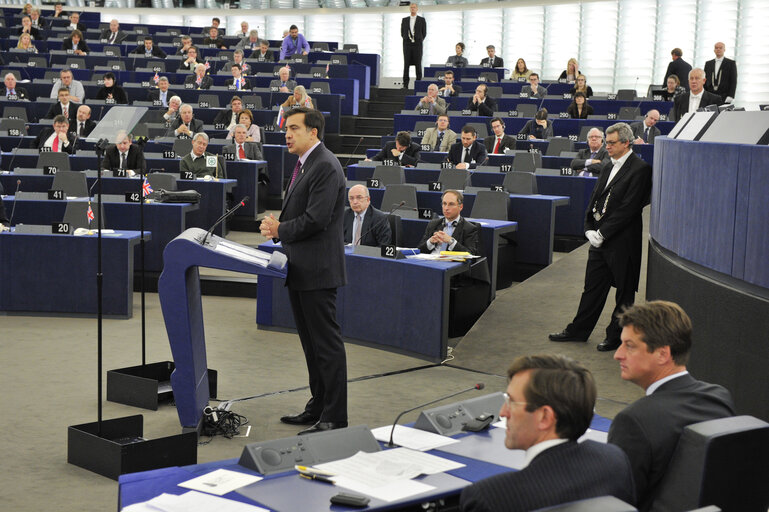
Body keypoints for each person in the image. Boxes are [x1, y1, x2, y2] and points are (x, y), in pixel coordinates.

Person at [260, 107, 348, 435]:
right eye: (286, 128)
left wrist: (279, 229)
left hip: (318, 269)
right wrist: (280, 227)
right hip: (301, 268)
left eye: (294, 128)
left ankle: (335, 417)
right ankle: (319, 405)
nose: (287, 133)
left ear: (313, 132)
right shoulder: (305, 163)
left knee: (326, 346)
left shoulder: (325, 165)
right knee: (311, 346)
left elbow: (317, 219)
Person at [459, 354, 636, 512]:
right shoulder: (614, 460)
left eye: (511, 402)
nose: (502, 412)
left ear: (545, 417)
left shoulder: (489, 498)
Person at [608, 301, 735, 512]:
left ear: (663, 354)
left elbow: (616, 502)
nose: (618, 354)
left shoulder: (634, 420)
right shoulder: (720, 398)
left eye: (629, 345)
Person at [549, 122, 652, 351]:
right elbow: (595, 197)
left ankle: (616, 336)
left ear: (626, 143)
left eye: (612, 143)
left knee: (624, 292)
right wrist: (588, 226)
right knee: (592, 287)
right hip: (598, 238)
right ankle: (578, 330)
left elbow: (630, 207)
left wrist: (603, 232)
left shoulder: (640, 168)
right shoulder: (606, 165)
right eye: (607, 142)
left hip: (623, 240)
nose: (608, 146)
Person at [418, 190, 480, 255]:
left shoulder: (469, 228)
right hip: (430, 262)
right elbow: (419, 250)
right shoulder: (433, 224)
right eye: (444, 204)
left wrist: (451, 241)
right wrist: (430, 242)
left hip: (452, 263)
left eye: (451, 204)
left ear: (460, 207)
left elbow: (470, 254)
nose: (446, 208)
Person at [401, 3, 427, 89]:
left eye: (414, 7)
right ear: (409, 9)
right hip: (407, 45)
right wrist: (408, 39)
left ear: (417, 9)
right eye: (411, 7)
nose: (413, 9)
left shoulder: (422, 20)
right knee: (406, 64)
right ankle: (405, 85)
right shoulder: (404, 20)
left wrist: (418, 39)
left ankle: (418, 84)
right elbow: (402, 33)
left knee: (418, 64)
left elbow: (424, 33)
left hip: (417, 45)